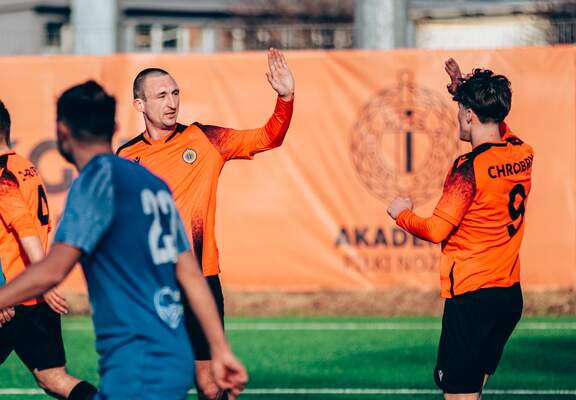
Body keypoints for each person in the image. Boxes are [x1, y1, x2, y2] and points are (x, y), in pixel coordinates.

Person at [0, 81, 248, 399]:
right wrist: (220, 349)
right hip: (170, 359)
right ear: (115, 127)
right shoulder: (151, 182)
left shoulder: (94, 184)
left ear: (62, 132)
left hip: (135, 364)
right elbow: (191, 273)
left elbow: (52, 270)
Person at [117, 48, 294, 399]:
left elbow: (268, 137)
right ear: (140, 105)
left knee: (211, 386)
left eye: (175, 93)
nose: (172, 103)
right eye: (161, 95)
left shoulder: (204, 139)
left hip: (200, 279)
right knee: (150, 382)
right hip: (151, 284)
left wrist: (285, 98)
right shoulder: (126, 156)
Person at [387, 63, 533, 399]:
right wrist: (463, 92)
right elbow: (497, 124)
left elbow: (436, 230)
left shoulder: (468, 169)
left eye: (461, 110)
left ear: (468, 115)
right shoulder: (523, 153)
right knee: (472, 390)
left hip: (472, 297)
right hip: (508, 296)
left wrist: (402, 214)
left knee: (458, 393)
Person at [0, 100, 97, 399]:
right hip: (36, 297)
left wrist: (44, 277)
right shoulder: (25, 167)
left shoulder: (2, 173)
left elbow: (25, 228)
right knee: (54, 379)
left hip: (11, 298)